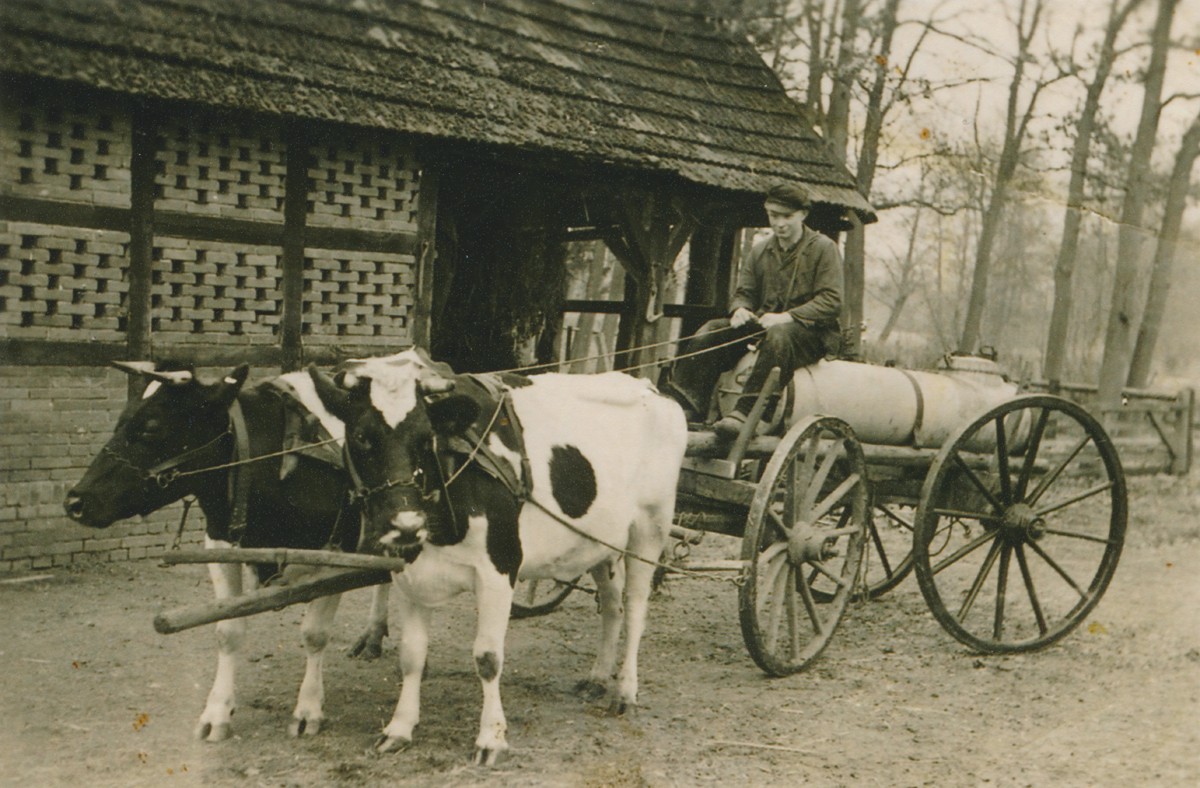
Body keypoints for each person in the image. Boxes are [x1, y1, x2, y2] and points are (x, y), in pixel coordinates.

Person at [665, 183, 844, 436]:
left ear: (803, 214)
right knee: (712, 329)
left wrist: (787, 316)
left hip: (810, 334)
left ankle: (748, 412)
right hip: (766, 328)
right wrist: (740, 309)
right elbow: (744, 293)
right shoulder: (760, 251)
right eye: (773, 215)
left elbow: (832, 300)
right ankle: (687, 402)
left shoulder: (823, 249)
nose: (779, 223)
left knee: (780, 334)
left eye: (787, 216)